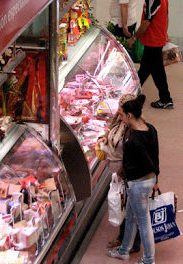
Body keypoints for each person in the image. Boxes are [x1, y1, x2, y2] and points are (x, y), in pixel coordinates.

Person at [108, 94, 159, 264]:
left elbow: (132, 165)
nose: (120, 117)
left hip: (138, 184)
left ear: (129, 115)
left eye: (122, 115)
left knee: (144, 223)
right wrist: (156, 177)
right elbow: (155, 157)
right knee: (130, 215)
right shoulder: (150, 129)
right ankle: (124, 251)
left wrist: (124, 178)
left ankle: (148, 260)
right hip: (149, 180)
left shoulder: (132, 140)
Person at [96, 93, 140, 254]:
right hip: (117, 172)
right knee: (122, 206)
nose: (119, 114)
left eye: (122, 112)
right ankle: (123, 238)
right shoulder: (119, 120)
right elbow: (110, 132)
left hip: (127, 175)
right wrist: (104, 139)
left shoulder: (134, 129)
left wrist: (123, 171)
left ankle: (132, 243)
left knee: (130, 210)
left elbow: (133, 154)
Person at [128, 0, 173, 109]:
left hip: (153, 40)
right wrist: (164, 33)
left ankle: (130, 95)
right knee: (151, 70)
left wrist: (134, 37)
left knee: (150, 70)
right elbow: (164, 16)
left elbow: (147, 22)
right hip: (156, 39)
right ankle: (165, 99)